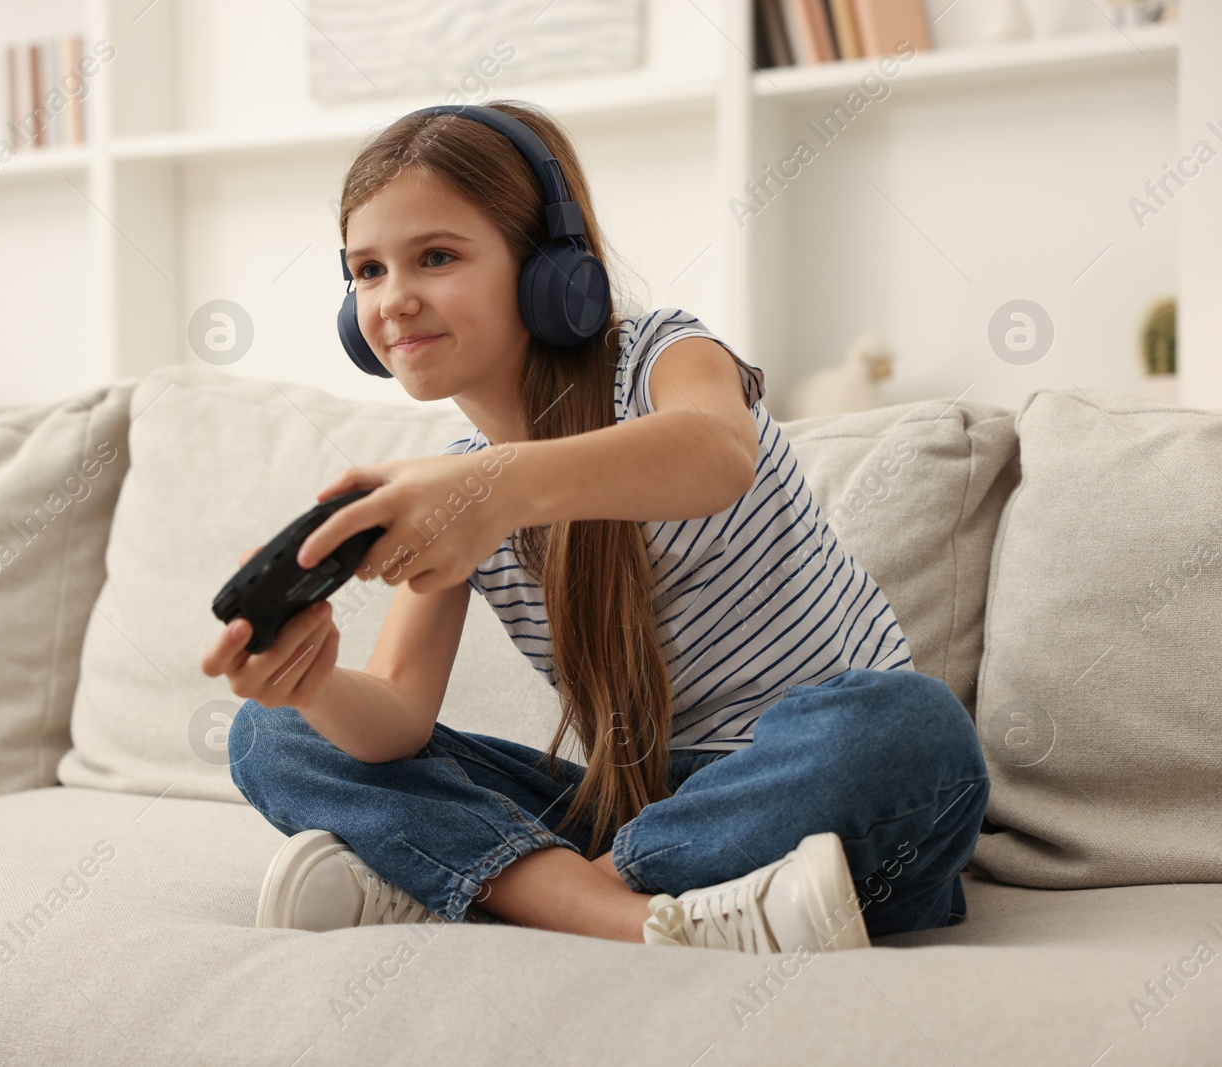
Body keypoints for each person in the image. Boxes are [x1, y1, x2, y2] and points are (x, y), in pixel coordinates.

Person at [199, 100, 988, 953]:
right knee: (273, 734)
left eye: (436, 256)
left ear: (547, 267)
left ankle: (521, 889)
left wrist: (492, 486)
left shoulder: (664, 356)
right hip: (637, 811)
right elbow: (396, 715)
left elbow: (717, 454)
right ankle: (647, 914)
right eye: (368, 270)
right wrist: (311, 680)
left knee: (912, 727)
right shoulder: (455, 482)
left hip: (798, 789)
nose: (394, 299)